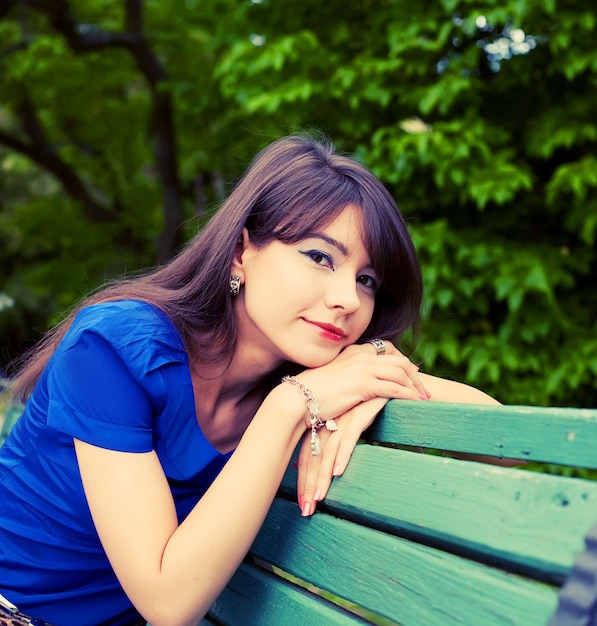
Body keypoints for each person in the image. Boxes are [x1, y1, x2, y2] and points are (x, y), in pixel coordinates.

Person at [0, 134, 503, 626]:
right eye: (319, 257)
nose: (347, 298)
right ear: (242, 251)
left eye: (366, 280)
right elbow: (168, 604)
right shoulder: (116, 346)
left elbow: (501, 441)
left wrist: (377, 375)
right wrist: (290, 406)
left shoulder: (308, 379)